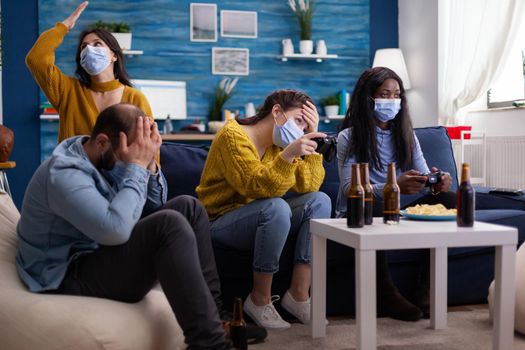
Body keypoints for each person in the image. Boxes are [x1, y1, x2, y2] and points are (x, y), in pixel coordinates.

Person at [16, 103, 234, 349]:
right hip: (67, 271)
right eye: (128, 156)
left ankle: (215, 320)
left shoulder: (104, 155)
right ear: (101, 142)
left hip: (99, 249)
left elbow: (154, 202)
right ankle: (210, 345)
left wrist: (149, 162)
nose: (131, 162)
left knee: (189, 207)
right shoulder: (64, 175)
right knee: (168, 224)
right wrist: (137, 166)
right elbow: (116, 230)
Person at [196, 89, 332, 330]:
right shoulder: (232, 135)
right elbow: (256, 187)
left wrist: (312, 138)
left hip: (262, 215)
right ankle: (259, 299)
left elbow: (308, 185)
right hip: (219, 220)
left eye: (305, 127)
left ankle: (299, 295)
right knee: (275, 207)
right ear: (277, 112)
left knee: (320, 200)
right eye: (299, 121)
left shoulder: (280, 144)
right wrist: (290, 154)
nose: (299, 131)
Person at [336, 67, 454, 321]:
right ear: (368, 98)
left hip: (397, 207)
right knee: (376, 204)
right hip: (360, 209)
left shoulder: (406, 135)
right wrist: (394, 186)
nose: (391, 101)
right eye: (384, 94)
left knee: (449, 199)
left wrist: (436, 181)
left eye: (396, 95)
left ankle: (426, 289)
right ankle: (385, 295)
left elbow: (422, 174)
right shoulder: (349, 137)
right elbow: (349, 189)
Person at [25, 1, 152, 142]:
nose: (89, 50)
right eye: (84, 47)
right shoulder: (68, 91)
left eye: (97, 44)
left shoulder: (135, 98)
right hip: (72, 165)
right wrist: (64, 27)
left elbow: (150, 148)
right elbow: (36, 58)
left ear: (114, 56)